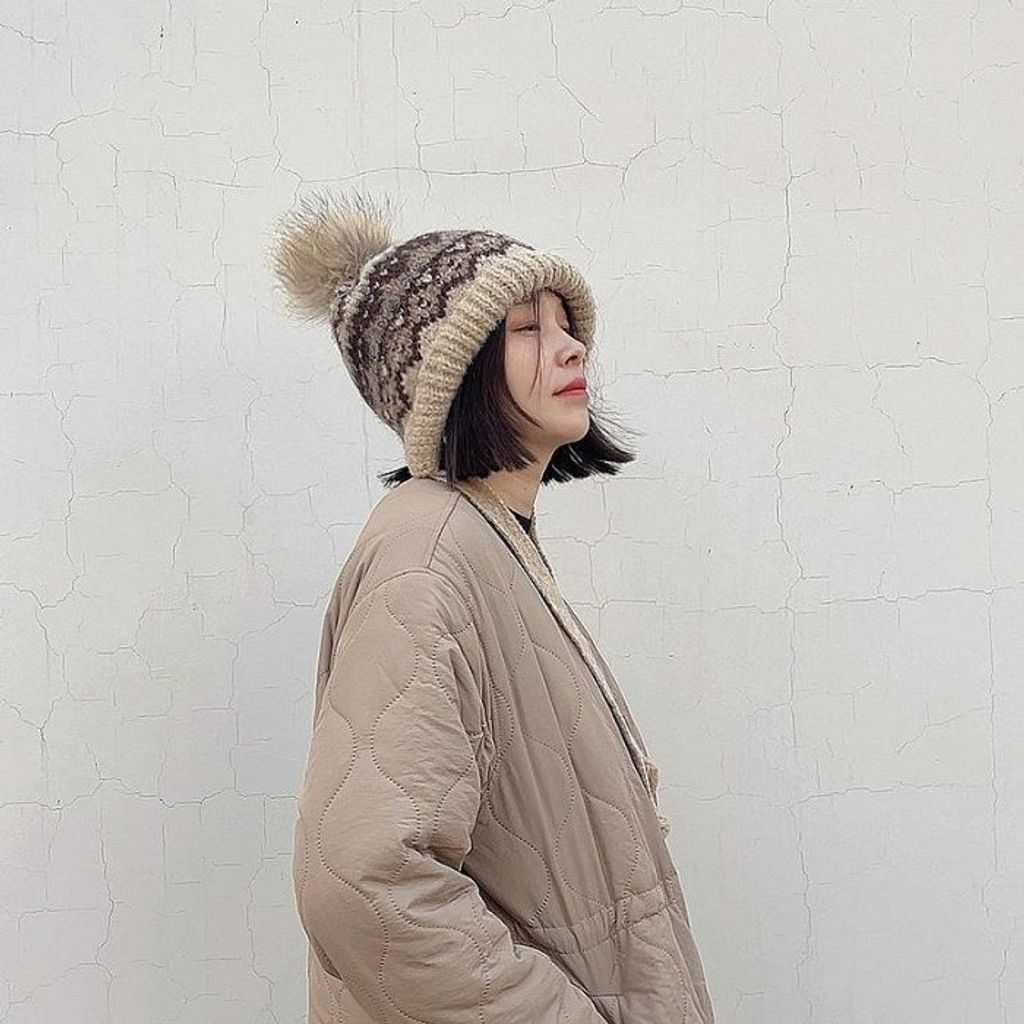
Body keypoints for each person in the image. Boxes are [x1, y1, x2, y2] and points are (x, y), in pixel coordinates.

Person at [267, 189, 716, 1024]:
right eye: (526, 329)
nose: (571, 345)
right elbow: (364, 880)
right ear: (454, 373)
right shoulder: (428, 558)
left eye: (567, 323)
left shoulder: (487, 540)